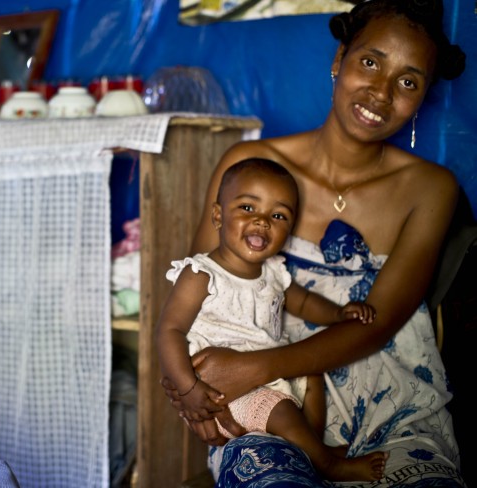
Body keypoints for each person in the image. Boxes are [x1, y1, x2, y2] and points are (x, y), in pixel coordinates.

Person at [161, 0, 467, 486]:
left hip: (397, 411)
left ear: (424, 94)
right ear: (338, 59)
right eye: (369, 62)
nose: (381, 93)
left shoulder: (431, 189)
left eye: (408, 81)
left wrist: (249, 367)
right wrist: (188, 387)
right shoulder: (252, 167)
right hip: (271, 409)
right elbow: (198, 301)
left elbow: (376, 326)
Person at [156, 158, 387, 481]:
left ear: (287, 230)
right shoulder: (201, 274)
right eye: (248, 209)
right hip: (221, 390)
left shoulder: (273, 272)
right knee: (281, 410)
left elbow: (302, 302)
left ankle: (309, 449)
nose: (263, 221)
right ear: (218, 216)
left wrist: (338, 313)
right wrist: (190, 388)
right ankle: (330, 466)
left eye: (278, 216)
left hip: (266, 374)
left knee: (313, 376)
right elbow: (170, 330)